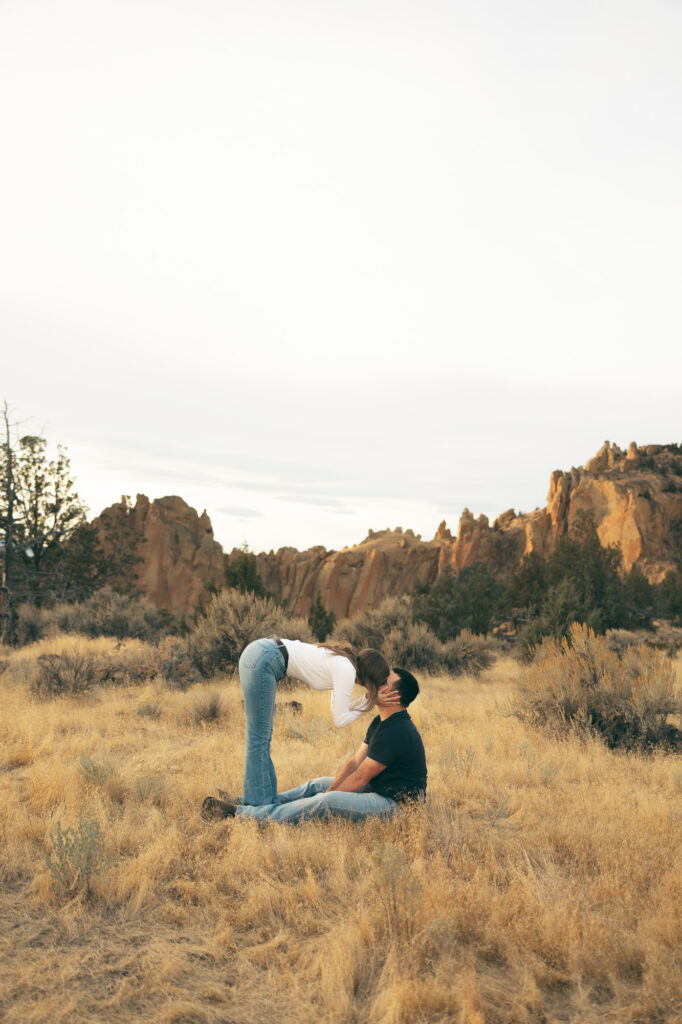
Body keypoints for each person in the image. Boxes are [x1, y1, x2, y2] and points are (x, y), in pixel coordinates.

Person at [202, 667, 426, 823]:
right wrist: (328, 790)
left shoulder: (398, 731)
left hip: (396, 807)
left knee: (324, 803)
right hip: (377, 791)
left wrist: (327, 797)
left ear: (395, 696)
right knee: (317, 786)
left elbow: (360, 778)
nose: (377, 681)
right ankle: (251, 802)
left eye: (384, 681)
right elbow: (354, 763)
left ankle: (240, 815)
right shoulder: (382, 722)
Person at [232, 636, 399, 809]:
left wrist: (367, 699)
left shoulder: (344, 664)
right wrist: (371, 702)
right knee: (259, 738)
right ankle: (258, 808)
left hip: (262, 653)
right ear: (371, 676)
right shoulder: (346, 670)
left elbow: (338, 708)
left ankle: (260, 801)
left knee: (260, 738)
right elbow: (340, 720)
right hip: (265, 658)